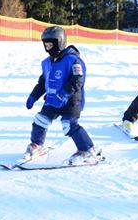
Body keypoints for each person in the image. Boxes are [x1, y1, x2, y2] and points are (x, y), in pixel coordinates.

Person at [24, 26, 97, 164]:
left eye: (51, 45)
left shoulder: (72, 60)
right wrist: (33, 96)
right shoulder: (47, 63)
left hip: (71, 100)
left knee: (68, 125)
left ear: (60, 42)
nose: (48, 48)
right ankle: (37, 144)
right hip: (52, 99)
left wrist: (63, 95)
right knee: (41, 119)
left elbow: (77, 80)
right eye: (46, 45)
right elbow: (42, 82)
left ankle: (87, 149)